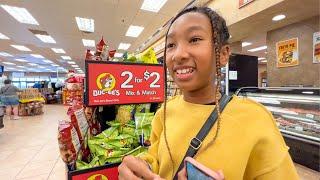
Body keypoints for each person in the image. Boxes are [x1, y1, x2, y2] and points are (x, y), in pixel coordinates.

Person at [118, 6, 299, 180]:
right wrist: (142, 167)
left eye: (194, 39)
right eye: (171, 44)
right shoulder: (164, 111)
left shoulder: (256, 119)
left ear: (223, 53)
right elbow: (156, 158)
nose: (178, 54)